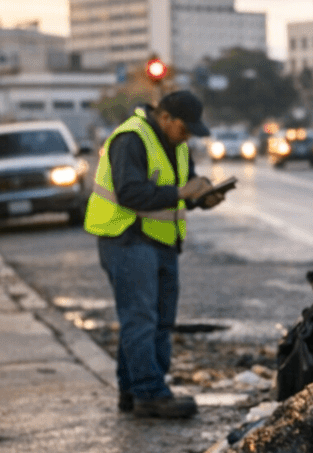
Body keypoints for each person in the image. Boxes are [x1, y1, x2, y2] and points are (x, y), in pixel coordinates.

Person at [86, 89, 225, 419]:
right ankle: (150, 393)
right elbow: (130, 192)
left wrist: (201, 197)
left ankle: (133, 392)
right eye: (184, 128)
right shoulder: (131, 139)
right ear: (165, 118)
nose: (188, 135)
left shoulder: (177, 144)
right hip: (126, 238)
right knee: (141, 319)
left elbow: (184, 186)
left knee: (158, 320)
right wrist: (181, 193)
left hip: (160, 240)